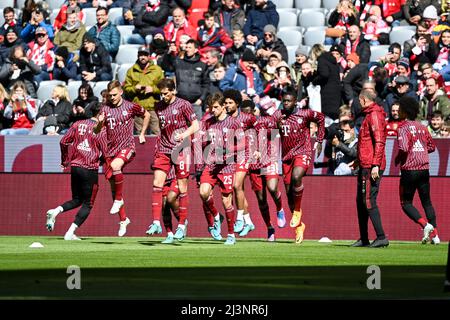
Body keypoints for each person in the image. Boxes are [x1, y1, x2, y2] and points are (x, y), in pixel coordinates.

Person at [94, 80, 150, 236]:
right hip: (111, 151)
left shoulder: (131, 106)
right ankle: (123, 219)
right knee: (113, 187)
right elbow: (97, 130)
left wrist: (142, 133)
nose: (111, 98)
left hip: (127, 147)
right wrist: (99, 124)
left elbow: (147, 115)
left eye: (114, 95)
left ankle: (118, 201)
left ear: (121, 92)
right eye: (109, 95)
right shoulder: (105, 109)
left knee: (116, 167)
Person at [146, 78, 199, 240]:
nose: (164, 97)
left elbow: (196, 125)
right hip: (163, 149)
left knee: (182, 188)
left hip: (180, 149)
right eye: (161, 94)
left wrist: (184, 134)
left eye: (166, 93)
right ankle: (156, 222)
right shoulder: (158, 106)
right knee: (157, 184)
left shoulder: (184, 104)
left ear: (173, 91)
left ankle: (182, 225)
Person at [45, 102, 106, 240]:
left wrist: (64, 160)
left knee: (77, 199)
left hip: (75, 167)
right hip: (89, 168)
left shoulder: (77, 124)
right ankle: (70, 233)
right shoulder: (100, 129)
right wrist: (102, 161)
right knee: (88, 203)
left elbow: (63, 141)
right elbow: (106, 152)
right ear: (100, 114)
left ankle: (56, 211)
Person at [271, 88, 325, 244]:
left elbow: (321, 118)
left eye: (289, 101)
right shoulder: (278, 115)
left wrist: (319, 140)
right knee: (289, 194)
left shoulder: (305, 113)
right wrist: (276, 125)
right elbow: (268, 125)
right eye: (284, 101)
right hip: (286, 156)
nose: (286, 103)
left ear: (295, 101)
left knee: (296, 177)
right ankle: (299, 226)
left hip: (303, 151)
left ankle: (296, 211)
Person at [197, 92, 242, 245]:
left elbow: (244, 144)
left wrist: (229, 150)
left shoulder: (233, 123)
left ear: (223, 107)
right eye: (211, 107)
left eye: (216, 107)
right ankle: (217, 216)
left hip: (227, 166)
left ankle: (231, 235)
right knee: (203, 192)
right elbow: (203, 143)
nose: (212, 110)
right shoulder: (208, 122)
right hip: (211, 165)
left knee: (226, 202)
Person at [395, 95, 440, 245]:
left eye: (400, 109)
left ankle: (425, 226)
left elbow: (403, 148)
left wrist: (398, 158)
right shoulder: (422, 127)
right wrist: (420, 151)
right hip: (424, 169)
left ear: (405, 112)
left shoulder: (402, 128)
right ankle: (436, 236)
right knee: (427, 202)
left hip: (409, 169)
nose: (398, 112)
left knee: (406, 203)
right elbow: (432, 147)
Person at [350, 89, 389, 248]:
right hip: (365, 164)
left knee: (368, 200)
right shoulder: (370, 114)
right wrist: (358, 161)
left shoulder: (374, 115)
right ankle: (364, 238)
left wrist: (375, 165)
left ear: (363, 100)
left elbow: (379, 141)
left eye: (359, 101)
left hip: (371, 166)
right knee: (361, 201)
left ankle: (381, 237)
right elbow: (368, 142)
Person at [123, 47, 164, 135]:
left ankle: (157, 149)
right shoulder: (131, 71)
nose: (143, 57)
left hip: (154, 107)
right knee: (140, 134)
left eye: (145, 55)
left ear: (149, 56)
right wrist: (135, 88)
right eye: (141, 55)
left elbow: (163, 88)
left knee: (156, 133)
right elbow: (126, 88)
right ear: (137, 56)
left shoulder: (157, 70)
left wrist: (152, 89)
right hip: (138, 107)